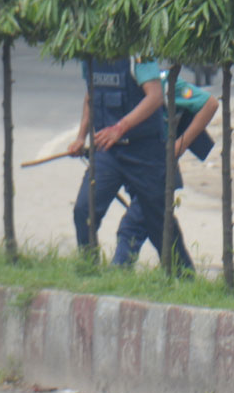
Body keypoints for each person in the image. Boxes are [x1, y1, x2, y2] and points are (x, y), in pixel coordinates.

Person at [67, 56, 169, 264]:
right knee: (84, 210)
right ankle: (90, 269)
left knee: (158, 221)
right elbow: (91, 96)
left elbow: (155, 96)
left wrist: (120, 127)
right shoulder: (90, 54)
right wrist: (80, 138)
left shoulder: (136, 53)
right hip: (108, 151)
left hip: (144, 149)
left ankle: (180, 275)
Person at [114, 75, 219, 267]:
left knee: (131, 227)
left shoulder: (165, 84)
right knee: (164, 228)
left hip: (157, 171)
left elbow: (209, 103)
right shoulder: (118, 85)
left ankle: (117, 273)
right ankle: (184, 276)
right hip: (132, 168)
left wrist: (180, 145)